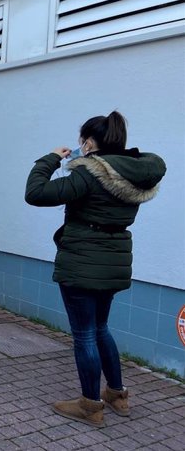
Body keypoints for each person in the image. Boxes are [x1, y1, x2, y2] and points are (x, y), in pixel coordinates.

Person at [25, 111, 166, 428]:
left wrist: (49, 158)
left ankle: (90, 405)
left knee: (85, 334)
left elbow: (35, 193)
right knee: (100, 328)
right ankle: (117, 394)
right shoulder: (135, 173)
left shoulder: (87, 175)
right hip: (114, 261)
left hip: (82, 263)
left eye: (82, 141)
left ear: (89, 143)